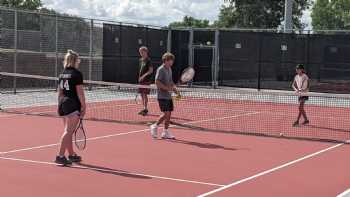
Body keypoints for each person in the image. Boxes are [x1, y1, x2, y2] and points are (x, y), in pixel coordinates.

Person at [55, 50, 86, 165]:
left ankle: (71, 155)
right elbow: (80, 93)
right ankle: (60, 156)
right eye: (77, 60)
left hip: (63, 103)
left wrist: (59, 105)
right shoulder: (77, 74)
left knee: (68, 131)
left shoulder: (62, 74)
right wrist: (84, 106)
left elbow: (60, 92)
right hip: (72, 104)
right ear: (75, 60)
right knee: (69, 131)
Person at [150, 52, 177, 139]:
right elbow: (157, 82)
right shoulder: (161, 69)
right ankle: (155, 126)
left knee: (169, 115)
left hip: (168, 96)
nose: (171, 63)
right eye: (170, 61)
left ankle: (165, 132)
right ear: (165, 61)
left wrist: (174, 88)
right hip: (162, 96)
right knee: (166, 113)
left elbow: (170, 81)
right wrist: (166, 88)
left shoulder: (169, 69)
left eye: (172, 61)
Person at [138, 46, 153, 116]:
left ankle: (145, 108)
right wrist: (140, 77)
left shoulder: (148, 60)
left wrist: (143, 76)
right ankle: (144, 108)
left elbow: (150, 71)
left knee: (145, 94)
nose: (141, 53)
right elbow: (141, 70)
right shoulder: (141, 60)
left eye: (142, 52)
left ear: (146, 52)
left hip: (146, 81)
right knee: (141, 94)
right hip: (141, 81)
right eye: (140, 52)